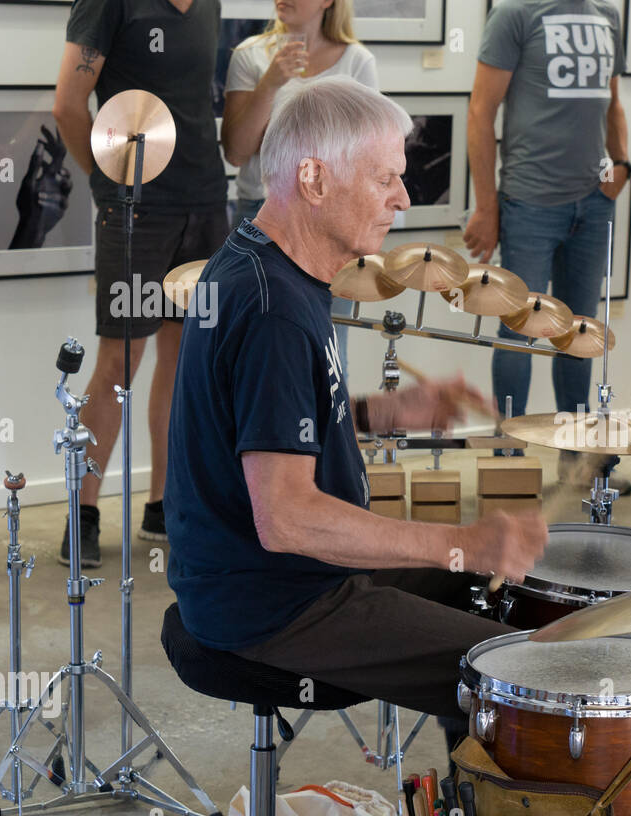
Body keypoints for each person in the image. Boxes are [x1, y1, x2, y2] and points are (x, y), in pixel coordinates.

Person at [164, 77, 547, 717]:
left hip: (272, 577)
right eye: (383, 179)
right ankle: (477, 809)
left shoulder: (264, 262)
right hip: (275, 602)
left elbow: (261, 422)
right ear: (313, 180)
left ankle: (456, 804)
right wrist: (463, 541)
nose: (402, 197)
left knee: (490, 591)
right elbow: (286, 519)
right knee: (526, 678)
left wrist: (380, 414)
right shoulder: (273, 310)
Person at [52, 0, 230, 566]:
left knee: (184, 359)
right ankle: (82, 514)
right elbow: (67, 104)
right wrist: (109, 182)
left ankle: (164, 504)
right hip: (137, 211)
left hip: (205, 203)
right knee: (119, 362)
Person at [463, 0, 631, 491]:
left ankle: (577, 461)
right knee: (519, 332)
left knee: (580, 332)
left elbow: (612, 101)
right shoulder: (515, 14)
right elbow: (481, 111)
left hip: (593, 203)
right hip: (530, 203)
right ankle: (506, 464)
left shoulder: (607, 15)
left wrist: (620, 166)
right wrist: (487, 208)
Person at [222, 0, 376, 375]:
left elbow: (366, 158)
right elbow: (237, 152)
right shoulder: (251, 56)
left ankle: (326, 434)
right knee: (256, 343)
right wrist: (271, 82)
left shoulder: (357, 62)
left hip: (330, 221)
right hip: (262, 215)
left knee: (328, 348)